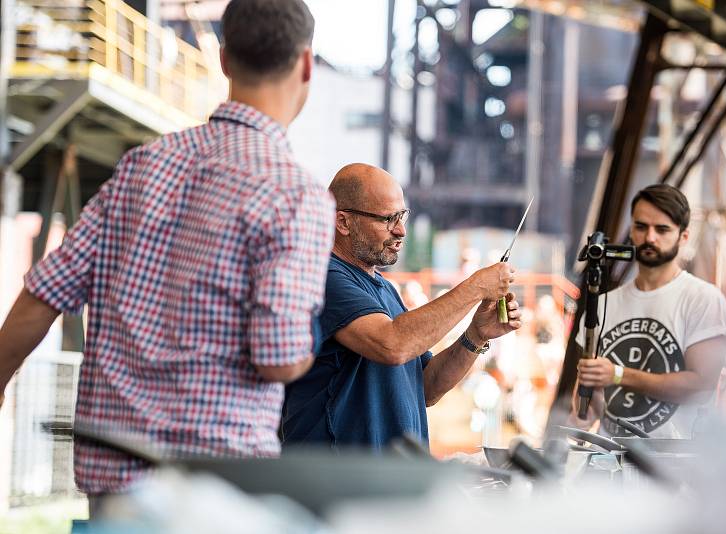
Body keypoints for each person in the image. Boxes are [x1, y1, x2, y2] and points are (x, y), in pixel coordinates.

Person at [0, 0, 334, 502]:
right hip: (215, 488)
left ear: (223, 59)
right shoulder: (296, 193)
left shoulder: (143, 165)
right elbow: (277, 359)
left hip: (114, 478)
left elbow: (43, 295)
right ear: (306, 63)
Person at [281, 163, 522, 449]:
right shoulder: (322, 276)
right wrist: (475, 287)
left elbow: (427, 387)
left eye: (403, 216)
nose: (401, 231)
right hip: (338, 481)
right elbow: (392, 344)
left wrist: (476, 335)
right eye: (388, 219)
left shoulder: (384, 289)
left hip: (386, 482)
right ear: (343, 222)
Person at [571, 184, 726, 438]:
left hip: (675, 466)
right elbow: (589, 403)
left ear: (684, 236)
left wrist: (618, 374)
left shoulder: (704, 299)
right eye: (641, 226)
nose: (650, 238)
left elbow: (701, 386)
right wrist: (584, 410)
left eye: (662, 229)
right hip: (611, 466)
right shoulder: (601, 304)